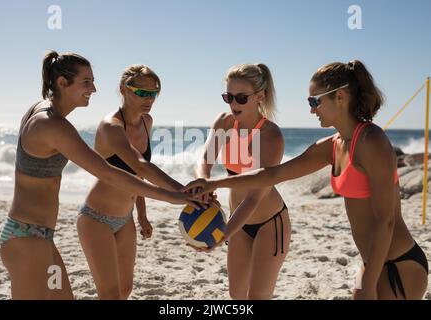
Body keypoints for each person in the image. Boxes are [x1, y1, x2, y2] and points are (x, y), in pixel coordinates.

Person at [184, 60, 429, 300]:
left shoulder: (371, 141)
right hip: (371, 261)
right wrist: (214, 183)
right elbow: (270, 175)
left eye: (315, 101)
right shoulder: (331, 146)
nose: (312, 110)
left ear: (340, 97)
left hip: (399, 263)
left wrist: (369, 283)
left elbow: (385, 222)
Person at [0, 51, 198, 300]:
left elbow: (131, 169)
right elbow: (108, 173)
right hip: (26, 237)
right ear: (62, 83)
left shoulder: (44, 111)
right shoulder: (52, 125)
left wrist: (155, 204)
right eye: (86, 82)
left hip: (40, 236)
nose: (93, 89)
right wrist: (172, 195)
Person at [77, 65, 186, 299]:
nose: (149, 100)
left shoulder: (147, 122)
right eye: (142, 93)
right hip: (96, 218)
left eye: (153, 93)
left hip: (124, 219)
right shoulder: (111, 126)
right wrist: (184, 192)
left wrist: (142, 214)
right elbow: (140, 165)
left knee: (125, 290)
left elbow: (137, 178)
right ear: (123, 90)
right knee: (110, 294)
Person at [191, 63, 291, 300]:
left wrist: (220, 236)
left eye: (241, 98)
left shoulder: (270, 135)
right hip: (239, 222)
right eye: (228, 97)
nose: (233, 104)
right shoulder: (225, 123)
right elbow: (205, 158)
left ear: (259, 96)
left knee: (257, 297)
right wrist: (203, 183)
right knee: (237, 297)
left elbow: (255, 197)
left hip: (270, 223)